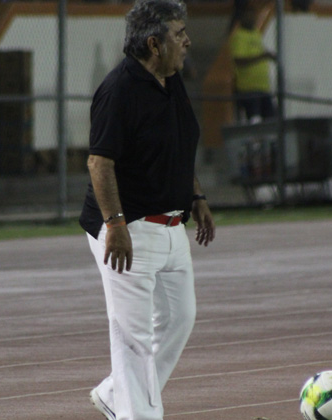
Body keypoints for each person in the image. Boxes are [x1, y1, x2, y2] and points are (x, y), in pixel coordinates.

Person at [79, 1, 216, 419]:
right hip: (129, 227)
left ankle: (113, 394)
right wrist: (115, 224)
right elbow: (99, 163)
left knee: (179, 320)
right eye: (179, 33)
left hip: (171, 225)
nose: (187, 41)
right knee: (133, 338)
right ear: (154, 44)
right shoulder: (119, 90)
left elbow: (178, 145)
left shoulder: (171, 81)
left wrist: (196, 196)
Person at [229, 7, 276, 123]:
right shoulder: (239, 36)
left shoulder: (255, 34)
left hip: (263, 87)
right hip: (249, 88)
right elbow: (239, 60)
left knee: (271, 120)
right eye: (249, 16)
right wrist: (262, 56)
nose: (252, 19)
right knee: (255, 120)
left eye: (253, 16)